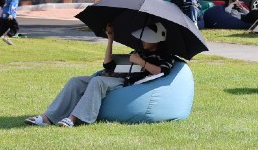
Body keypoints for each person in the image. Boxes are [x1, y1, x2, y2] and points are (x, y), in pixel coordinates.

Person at [24, 22, 175, 127]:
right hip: (110, 75)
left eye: (146, 38)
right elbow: (108, 65)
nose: (142, 40)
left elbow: (160, 72)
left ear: (155, 40)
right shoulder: (137, 52)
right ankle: (47, 118)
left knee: (98, 82)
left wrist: (140, 62)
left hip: (124, 82)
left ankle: (73, 119)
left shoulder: (165, 56)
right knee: (75, 81)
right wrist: (110, 39)